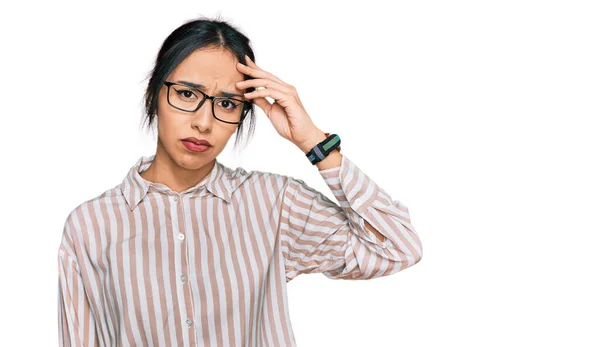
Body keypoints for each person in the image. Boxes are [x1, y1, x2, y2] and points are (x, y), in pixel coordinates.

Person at [57, 15, 423, 347]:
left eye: (228, 104)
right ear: (154, 95)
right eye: (187, 94)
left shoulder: (273, 203)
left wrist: (312, 139)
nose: (204, 122)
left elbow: (398, 247)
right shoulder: (91, 226)